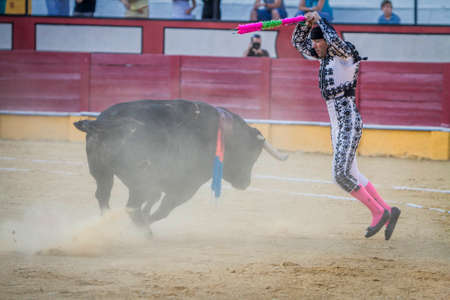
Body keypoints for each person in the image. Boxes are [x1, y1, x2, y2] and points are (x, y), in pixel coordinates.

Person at [291, 12, 401, 240]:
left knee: (339, 174)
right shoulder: (324, 56)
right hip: (337, 122)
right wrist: (305, 23)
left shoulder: (345, 53)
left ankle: (378, 212)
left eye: (319, 41)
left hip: (347, 119)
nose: (316, 45)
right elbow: (297, 43)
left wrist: (320, 20)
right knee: (351, 172)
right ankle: (388, 211)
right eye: (315, 41)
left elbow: (333, 41)